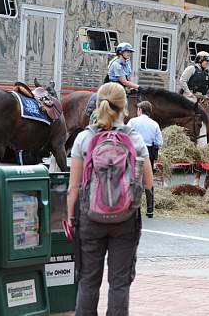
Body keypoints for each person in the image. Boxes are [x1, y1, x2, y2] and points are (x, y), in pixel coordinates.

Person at [67, 82, 153, 316]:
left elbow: (74, 186)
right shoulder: (134, 138)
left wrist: (70, 218)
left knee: (87, 280)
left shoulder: (84, 138)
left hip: (90, 217)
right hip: (125, 218)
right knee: (119, 283)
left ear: (96, 104)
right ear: (124, 105)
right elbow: (148, 183)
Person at [127, 101, 163, 219]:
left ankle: (134, 209)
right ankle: (150, 210)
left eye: (138, 109)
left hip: (134, 151)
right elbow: (159, 142)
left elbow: (125, 136)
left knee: (134, 179)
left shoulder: (132, 121)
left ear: (140, 110)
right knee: (148, 180)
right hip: (149, 152)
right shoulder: (155, 124)